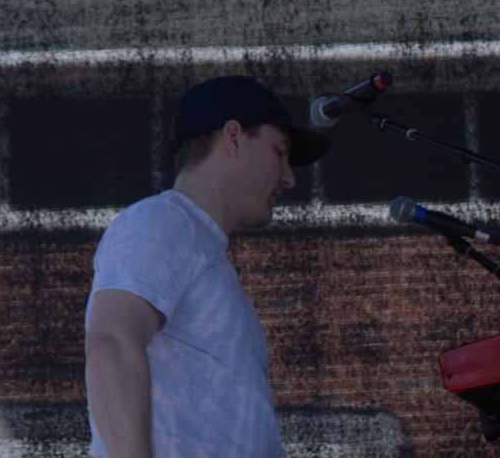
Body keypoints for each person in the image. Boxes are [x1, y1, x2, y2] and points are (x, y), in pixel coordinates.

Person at [82, 75, 329, 458]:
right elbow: (110, 342)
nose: (289, 177)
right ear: (233, 136)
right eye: (279, 152)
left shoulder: (199, 246)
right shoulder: (162, 220)